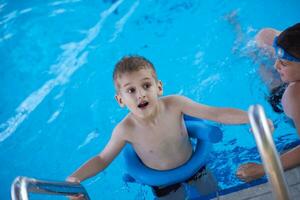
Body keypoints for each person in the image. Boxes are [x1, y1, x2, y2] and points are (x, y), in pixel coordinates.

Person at [66, 55, 251, 199]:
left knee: (216, 195)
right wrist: (75, 178)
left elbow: (215, 113)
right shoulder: (125, 130)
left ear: (159, 87)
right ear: (120, 100)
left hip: (195, 169)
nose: (141, 95)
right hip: (162, 184)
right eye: (131, 90)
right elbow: (102, 159)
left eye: (146, 85)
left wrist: (251, 118)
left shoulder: (175, 104)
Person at [237, 23, 300, 182]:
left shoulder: (295, 95)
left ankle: (248, 50)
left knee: (266, 70)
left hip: (282, 96)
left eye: (283, 63)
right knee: (265, 36)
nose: (275, 64)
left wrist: (262, 169)